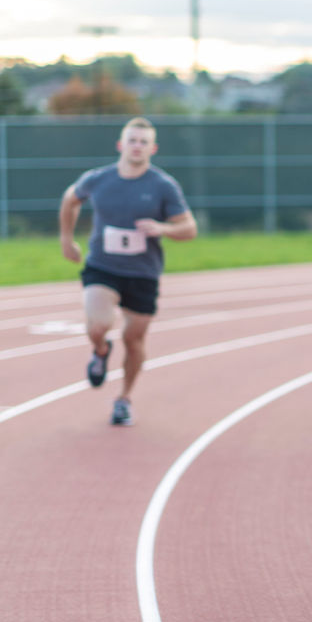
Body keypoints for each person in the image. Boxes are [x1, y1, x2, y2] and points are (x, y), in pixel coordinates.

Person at [58, 117, 198, 426]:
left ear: (153, 148)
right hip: (103, 266)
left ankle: (123, 399)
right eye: (132, 140)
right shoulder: (98, 179)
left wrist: (161, 228)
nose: (137, 146)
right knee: (98, 325)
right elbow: (70, 200)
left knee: (134, 339)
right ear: (121, 145)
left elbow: (189, 229)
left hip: (143, 273)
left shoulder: (163, 186)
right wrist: (67, 239)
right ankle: (100, 349)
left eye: (143, 142)